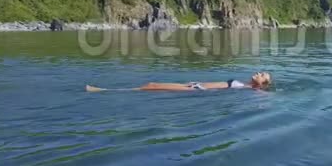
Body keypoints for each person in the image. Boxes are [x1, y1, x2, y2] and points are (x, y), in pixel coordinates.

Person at [86, 72, 272, 92]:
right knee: (152, 84)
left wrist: (262, 90)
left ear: (262, 83)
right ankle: (103, 90)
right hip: (195, 85)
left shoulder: (252, 89)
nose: (259, 72)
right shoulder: (245, 84)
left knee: (151, 87)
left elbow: (264, 97)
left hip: (196, 89)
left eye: (263, 74)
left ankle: (102, 90)